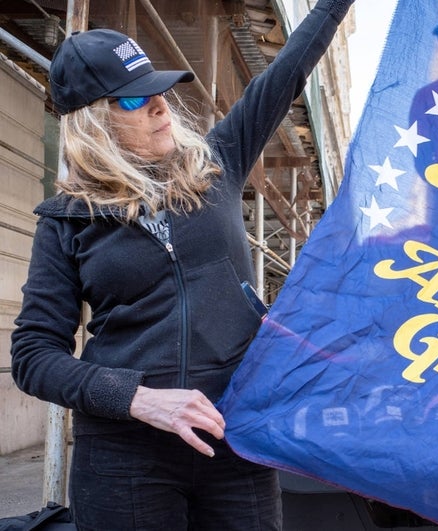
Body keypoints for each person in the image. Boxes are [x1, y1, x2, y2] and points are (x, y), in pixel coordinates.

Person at [10, 0, 355, 529]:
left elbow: (289, 67)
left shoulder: (218, 163)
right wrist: (137, 399)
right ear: (95, 122)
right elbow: (34, 356)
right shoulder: (65, 222)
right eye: (134, 98)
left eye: (159, 91)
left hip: (233, 441)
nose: (160, 107)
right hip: (125, 457)